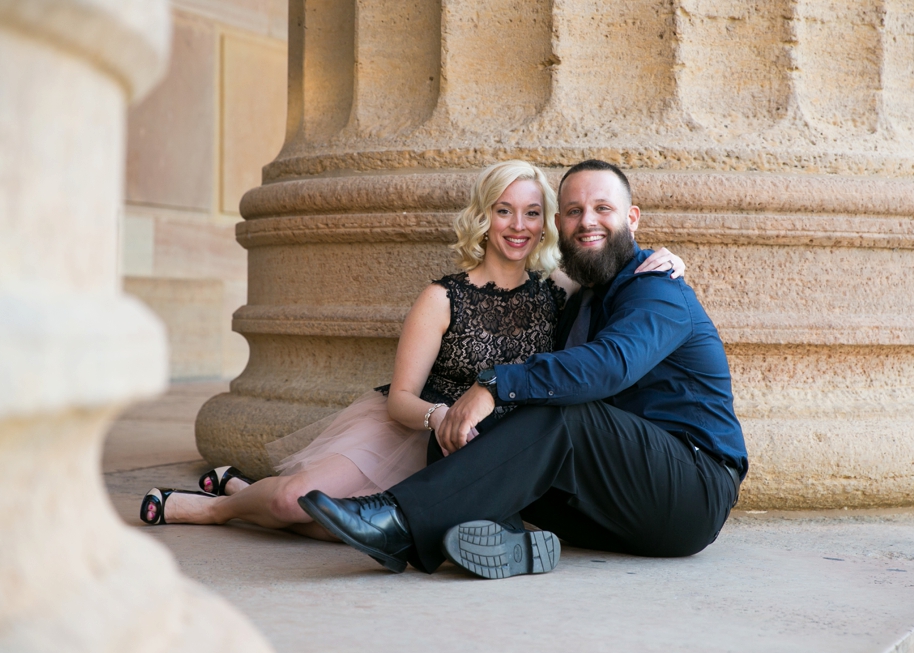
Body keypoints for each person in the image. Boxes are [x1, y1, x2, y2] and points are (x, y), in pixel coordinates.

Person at [138, 160, 685, 538]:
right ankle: (221, 508)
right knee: (294, 503)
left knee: (358, 529)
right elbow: (400, 397)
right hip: (415, 430)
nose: (518, 226)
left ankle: (242, 487)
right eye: (503, 210)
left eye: (532, 213)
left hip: (494, 450)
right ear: (483, 218)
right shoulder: (442, 297)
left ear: (548, 224)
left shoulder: (564, 292)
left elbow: (618, 274)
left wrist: (664, 258)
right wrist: (441, 418)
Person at [298, 159, 747, 578]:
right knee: (461, 426)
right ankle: (505, 538)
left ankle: (396, 519)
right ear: (559, 226)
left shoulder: (657, 290)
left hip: (692, 492)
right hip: (617, 506)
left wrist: (494, 384)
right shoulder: (582, 297)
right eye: (574, 211)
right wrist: (470, 407)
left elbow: (609, 366)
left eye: (603, 208)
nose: (587, 221)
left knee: (564, 415)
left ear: (632, 220)